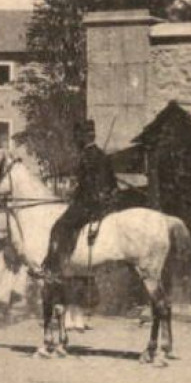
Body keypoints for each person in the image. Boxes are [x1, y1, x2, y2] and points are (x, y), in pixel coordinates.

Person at [43, 118, 118, 276]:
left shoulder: (85, 157)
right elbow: (113, 184)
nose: (76, 140)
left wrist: (72, 196)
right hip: (105, 205)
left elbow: (85, 187)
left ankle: (54, 268)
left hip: (88, 205)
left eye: (78, 136)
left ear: (84, 137)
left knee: (59, 226)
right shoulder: (103, 156)